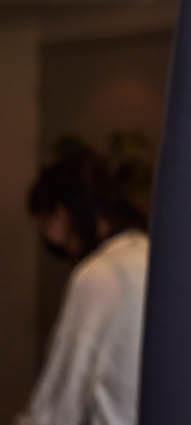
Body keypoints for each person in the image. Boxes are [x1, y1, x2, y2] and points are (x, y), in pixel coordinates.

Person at [18, 143, 148, 425]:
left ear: (61, 214)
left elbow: (58, 406)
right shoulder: (152, 255)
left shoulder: (100, 275)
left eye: (45, 224)